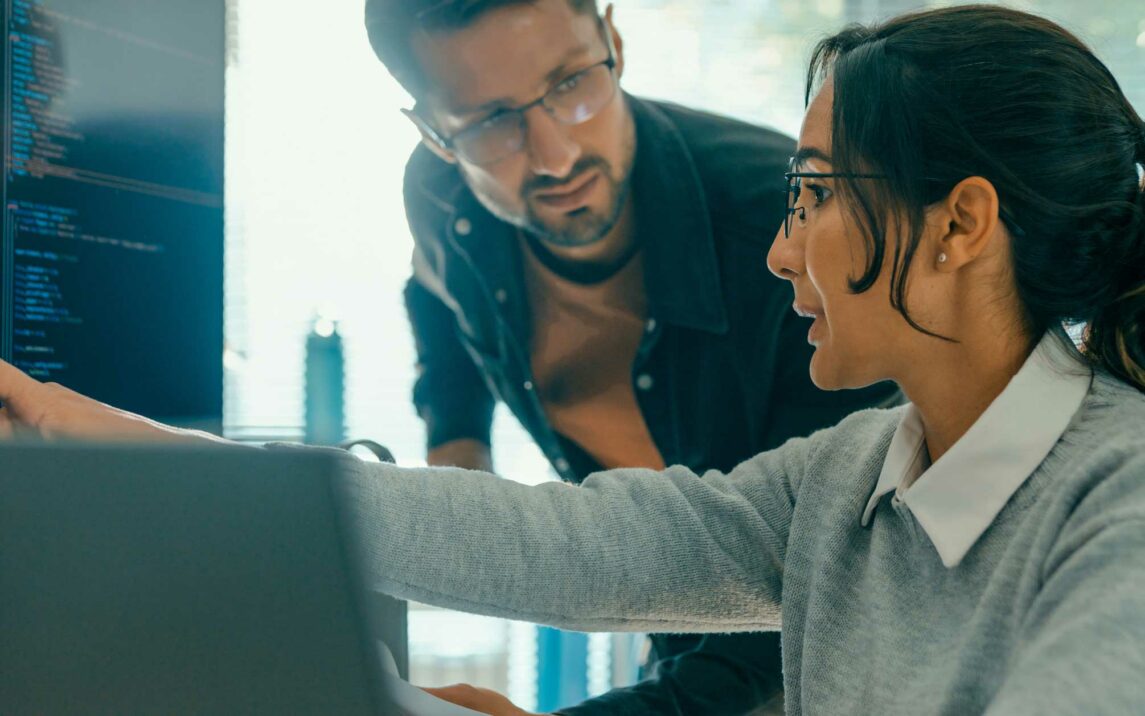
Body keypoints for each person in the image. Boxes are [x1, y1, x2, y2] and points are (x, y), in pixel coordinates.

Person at [2, 4, 1144, 715]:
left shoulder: (1119, 508)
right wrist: (90, 432)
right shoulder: (848, 474)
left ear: (958, 224)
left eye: (811, 197)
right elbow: (560, 543)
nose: (779, 246)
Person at [367, 0, 899, 712]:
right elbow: (434, 291)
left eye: (569, 84)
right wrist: (455, 438)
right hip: (659, 599)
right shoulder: (441, 194)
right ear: (434, 134)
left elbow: (809, 582)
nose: (556, 155)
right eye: (490, 121)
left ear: (613, 40)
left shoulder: (786, 233)